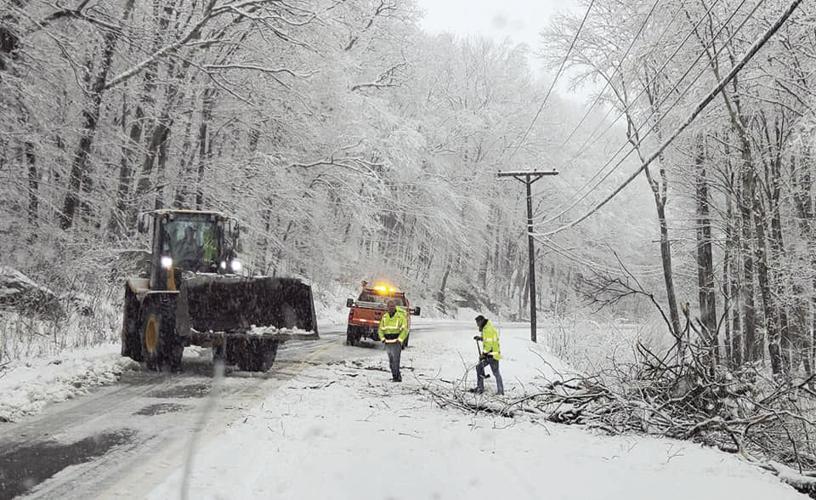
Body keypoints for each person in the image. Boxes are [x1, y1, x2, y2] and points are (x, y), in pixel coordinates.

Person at [471, 315, 504, 395]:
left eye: (477, 323)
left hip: (492, 354)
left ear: (481, 321)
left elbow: (489, 344)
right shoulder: (486, 327)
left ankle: (500, 391)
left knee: (495, 372)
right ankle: (480, 387)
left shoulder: (488, 329)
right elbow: (487, 339)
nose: (477, 325)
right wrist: (480, 338)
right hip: (490, 354)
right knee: (479, 367)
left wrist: (483, 354)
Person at [378, 299, 408, 382]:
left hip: (396, 342)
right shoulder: (385, 317)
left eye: (393, 306)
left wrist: (400, 339)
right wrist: (382, 339)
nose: (391, 308)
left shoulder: (400, 316)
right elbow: (380, 329)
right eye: (390, 306)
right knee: (391, 361)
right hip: (387, 342)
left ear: (395, 307)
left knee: (396, 361)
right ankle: (394, 375)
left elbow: (405, 329)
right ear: (387, 307)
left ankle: (397, 377)